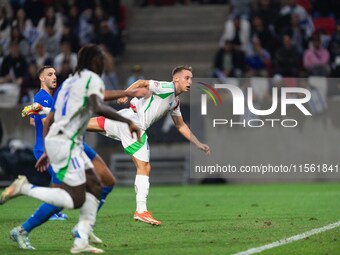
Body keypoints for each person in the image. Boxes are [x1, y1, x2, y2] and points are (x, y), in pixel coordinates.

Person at [0, 44, 141, 254]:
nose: (54, 77)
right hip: (64, 143)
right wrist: (126, 120)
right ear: (95, 61)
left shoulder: (68, 84)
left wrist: (48, 147)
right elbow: (98, 104)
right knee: (71, 199)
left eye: (54, 73)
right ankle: (25, 201)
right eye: (49, 74)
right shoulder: (65, 88)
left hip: (69, 142)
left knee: (101, 183)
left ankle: (81, 235)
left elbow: (49, 119)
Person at [87, 65, 210, 225]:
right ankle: (141, 210)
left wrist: (198, 143)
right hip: (134, 124)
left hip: (124, 118)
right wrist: (126, 93)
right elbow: (142, 82)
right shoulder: (166, 87)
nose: (190, 82)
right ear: (176, 79)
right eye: (187, 78)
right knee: (144, 167)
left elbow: (181, 126)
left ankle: (48, 114)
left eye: (191, 78)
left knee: (83, 124)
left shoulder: (175, 101)